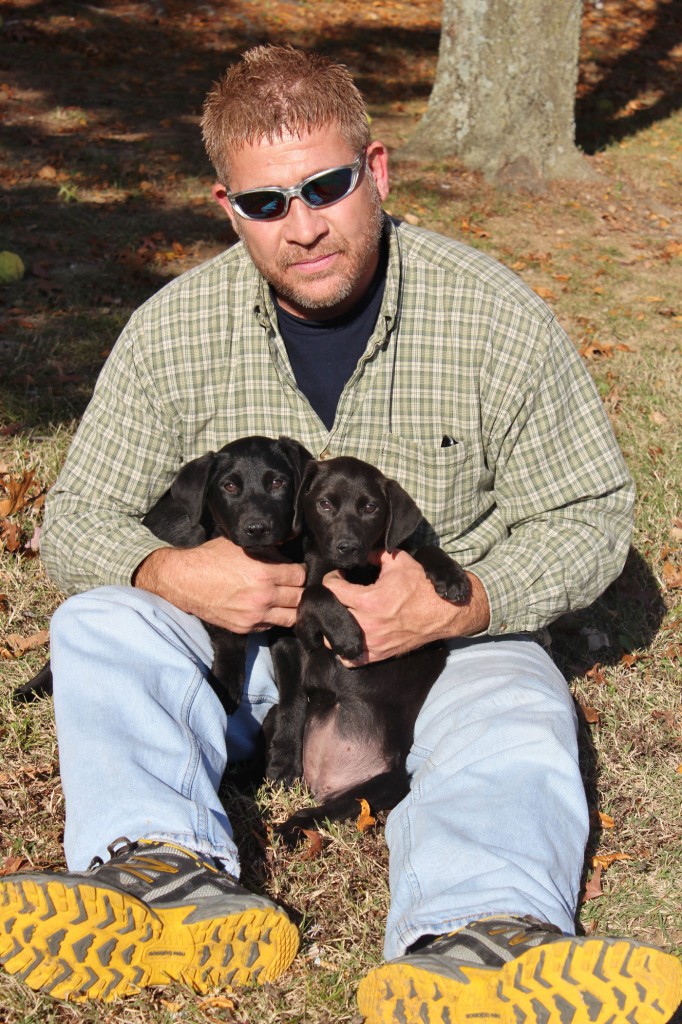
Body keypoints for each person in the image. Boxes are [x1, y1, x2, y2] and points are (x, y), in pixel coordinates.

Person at [0, 44, 679, 1023]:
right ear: (225, 206)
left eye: (326, 186)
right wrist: (167, 569)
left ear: (377, 172)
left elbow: (590, 513)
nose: (303, 224)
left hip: (425, 666)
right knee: (102, 620)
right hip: (243, 661)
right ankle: (160, 875)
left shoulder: (492, 317)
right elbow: (74, 518)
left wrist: (465, 602)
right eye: (267, 202)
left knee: (516, 686)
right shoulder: (171, 330)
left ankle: (480, 936)